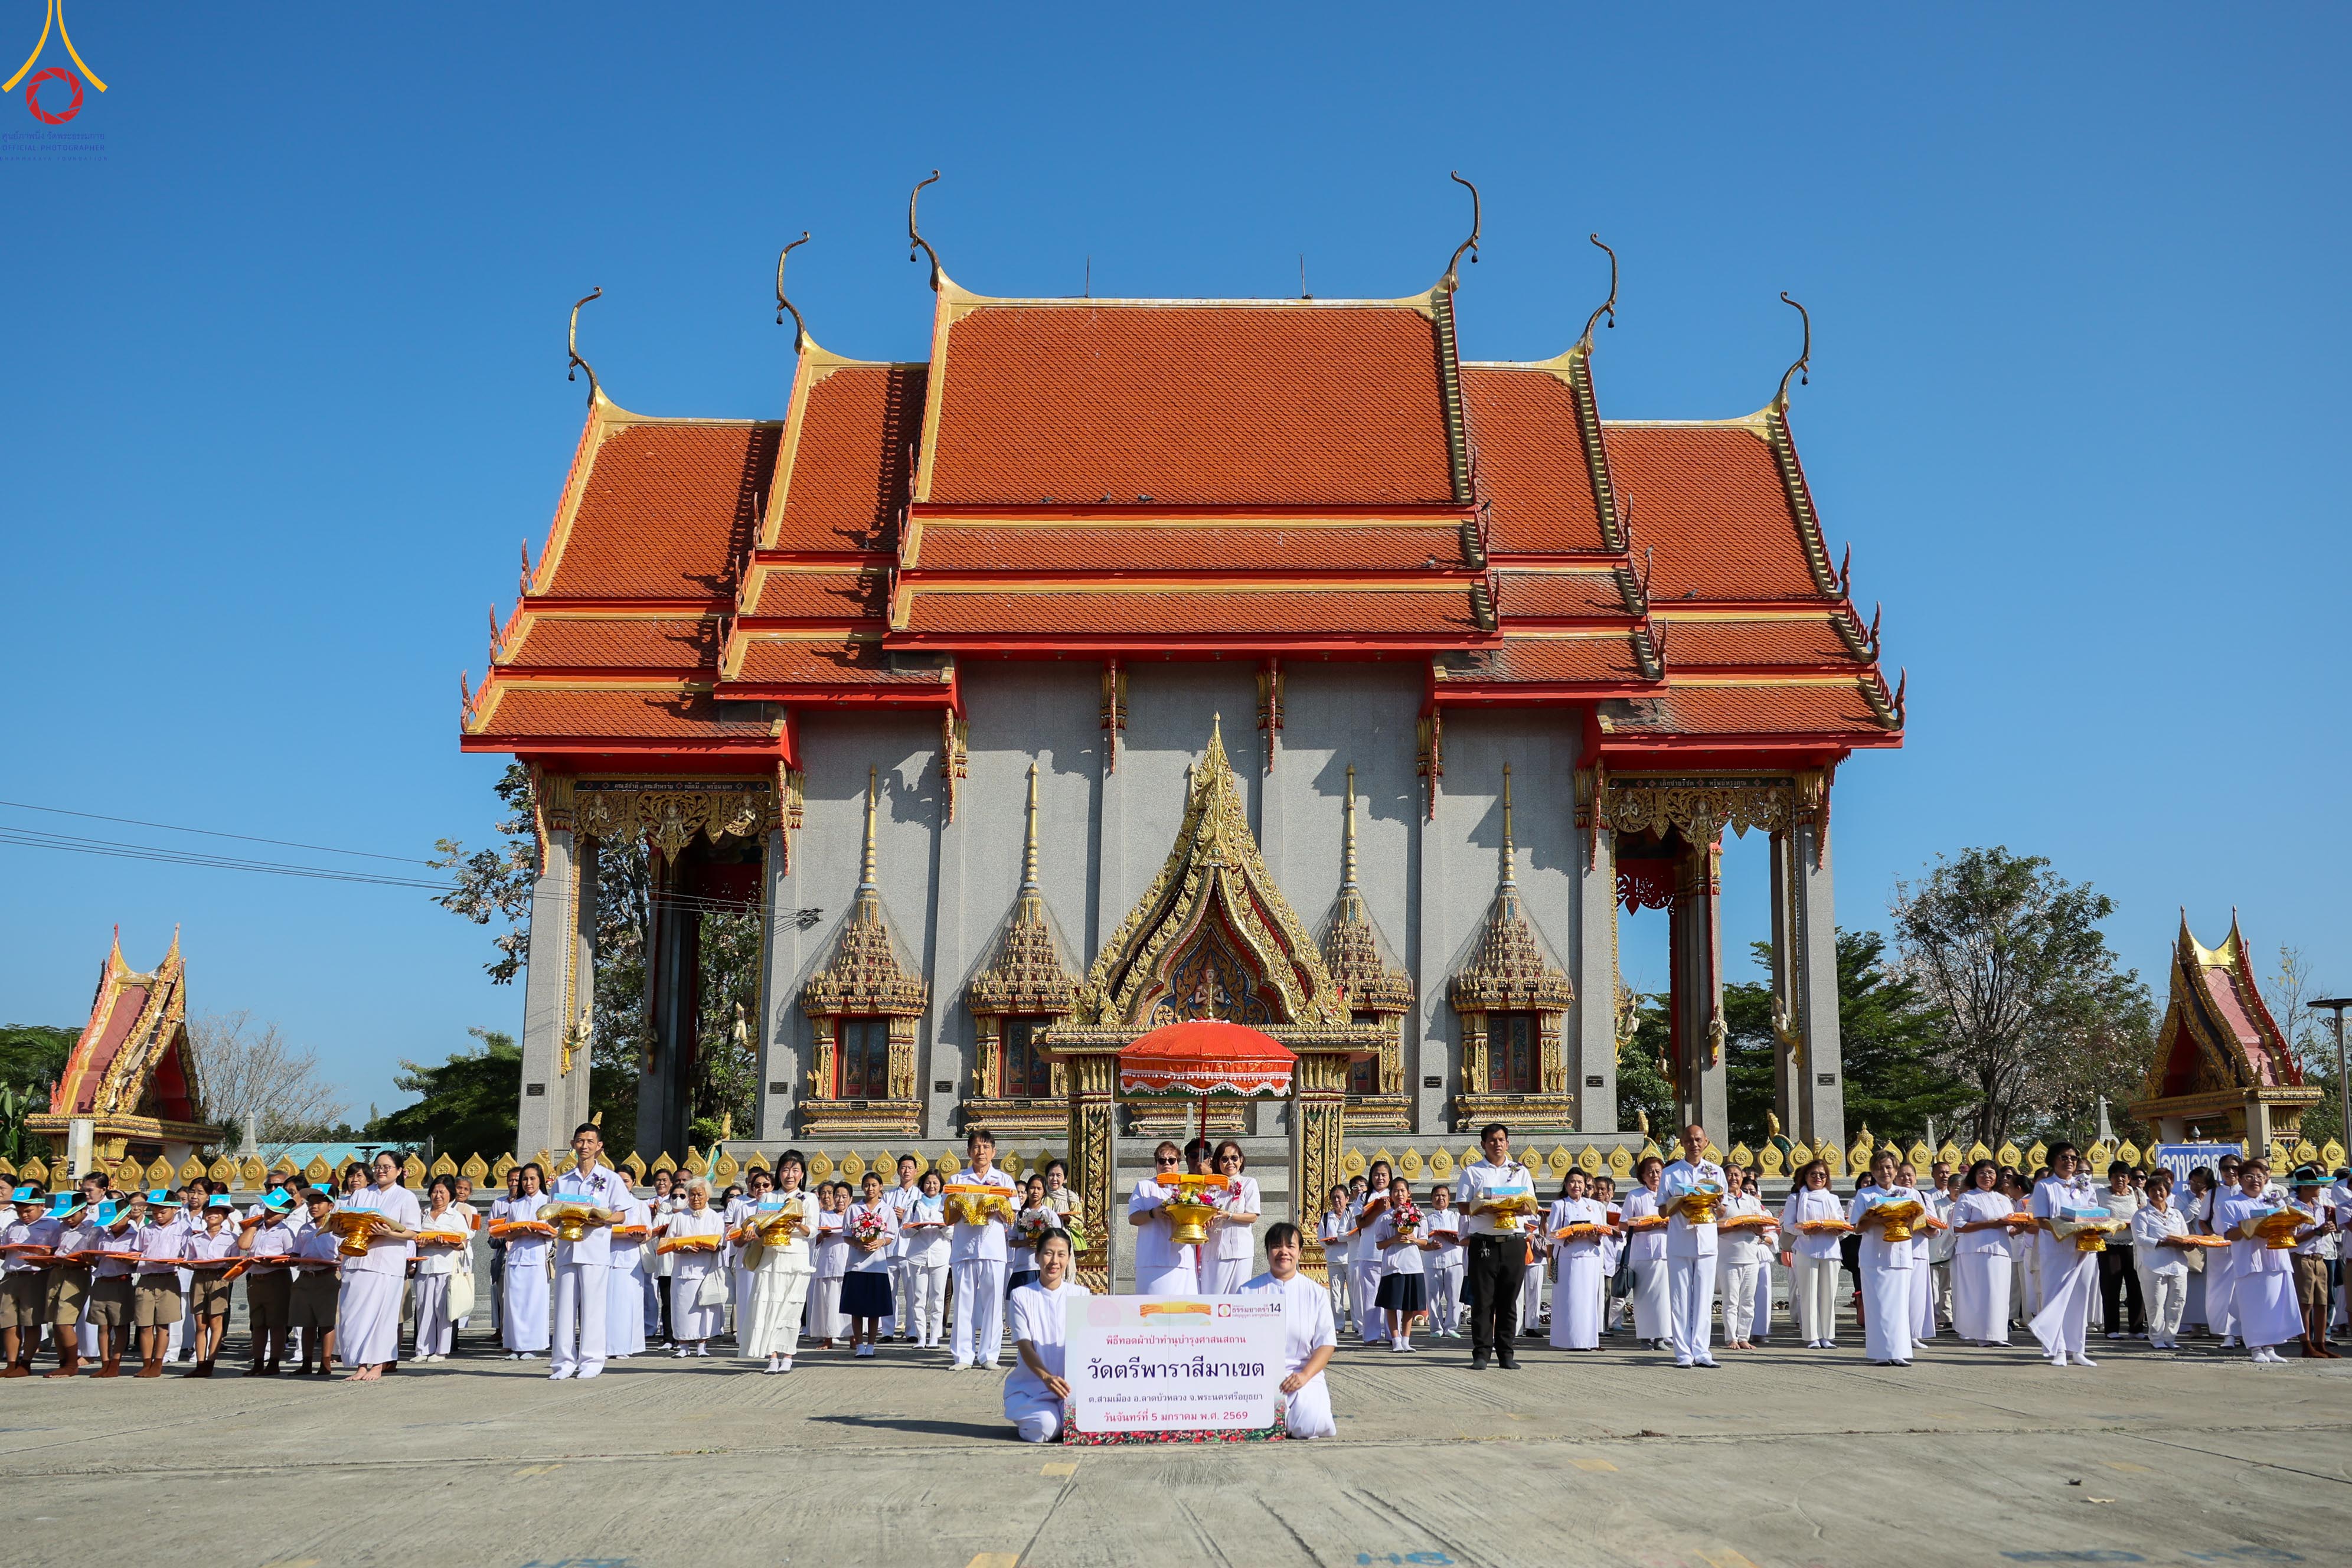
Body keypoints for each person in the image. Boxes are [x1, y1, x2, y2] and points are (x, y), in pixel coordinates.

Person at [545, 1121, 634, 1381]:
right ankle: (562, 1363)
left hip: (595, 1249)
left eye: (590, 1142)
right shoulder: (562, 1181)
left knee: (593, 1309)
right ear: (573, 1145)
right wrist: (557, 1217)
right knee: (563, 1308)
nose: (584, 1146)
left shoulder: (610, 1179)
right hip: (566, 1249)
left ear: (599, 1146)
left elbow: (620, 1215)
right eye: (580, 1141)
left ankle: (592, 1361)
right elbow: (552, 1216)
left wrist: (600, 1219)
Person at [1243, 1221, 1339, 1438]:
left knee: (1312, 1425)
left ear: (1300, 1252)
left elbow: (1326, 1343)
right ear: (1267, 1252)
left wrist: (1304, 1376)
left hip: (1304, 1374)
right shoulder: (1247, 1292)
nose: (1283, 1252)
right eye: (1277, 1246)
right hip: (1259, 1376)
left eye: (1290, 1246)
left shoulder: (1315, 1293)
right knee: (1255, 1428)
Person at [1453, 1125, 1536, 1370]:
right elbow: (1462, 1206)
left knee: (1508, 1301)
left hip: (1513, 1241)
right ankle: (1481, 1353)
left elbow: (1531, 1204)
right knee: (1483, 1301)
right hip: (1484, 1243)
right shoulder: (1473, 1172)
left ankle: (1506, 1353)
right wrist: (1483, 1206)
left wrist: (1520, 1207)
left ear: (1508, 1144)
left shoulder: (1520, 1171)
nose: (1497, 1144)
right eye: (1492, 1141)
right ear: (1484, 1144)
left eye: (1501, 1140)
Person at [337, 1152, 422, 1382]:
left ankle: (378, 1364)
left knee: (381, 1316)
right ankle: (361, 1365)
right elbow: (345, 1223)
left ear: (398, 1171)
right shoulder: (360, 1195)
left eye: (386, 1167)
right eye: (377, 1167)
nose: (381, 1171)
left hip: (387, 1263)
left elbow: (413, 1232)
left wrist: (388, 1233)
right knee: (353, 1316)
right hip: (357, 1262)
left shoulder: (405, 1197)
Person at [1005, 1227, 1090, 1442]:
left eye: (1061, 1254)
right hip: (1032, 1389)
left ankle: (1062, 1417)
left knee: (1085, 1426)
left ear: (1069, 1258)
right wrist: (1046, 1377)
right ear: (1037, 1256)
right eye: (1048, 1253)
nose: (1054, 1261)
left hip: (1070, 1390)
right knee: (1045, 1428)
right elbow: (1025, 1345)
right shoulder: (1021, 1296)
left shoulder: (1081, 1295)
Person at [2028, 1142, 2106, 1367]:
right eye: (2064, 1157)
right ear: (2053, 1161)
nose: (2070, 1161)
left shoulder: (2085, 1185)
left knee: (2080, 1298)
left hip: (2084, 1248)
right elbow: (2042, 1219)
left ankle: (2078, 1349)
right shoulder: (2045, 1187)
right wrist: (2065, 1230)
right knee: (2057, 1297)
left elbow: (2095, 1213)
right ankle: (2058, 1349)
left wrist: (2097, 1226)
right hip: (2056, 1249)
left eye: (2073, 1157)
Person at [2215, 1157, 2300, 1363]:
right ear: (2241, 1179)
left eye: (2260, 1176)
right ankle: (2255, 1348)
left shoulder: (2275, 1201)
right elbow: (2229, 1234)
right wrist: (2254, 1227)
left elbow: (2289, 1229)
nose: (2256, 1180)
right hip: (2250, 1262)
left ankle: (2270, 1346)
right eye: (2250, 1176)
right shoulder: (2230, 1204)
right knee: (2253, 1307)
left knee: (2274, 1304)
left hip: (2276, 1260)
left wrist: (2291, 1225)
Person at [948, 1129, 1017, 1371]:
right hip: (964, 1249)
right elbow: (948, 1217)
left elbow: (1011, 1217)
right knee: (964, 1303)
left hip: (993, 1248)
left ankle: (989, 1355)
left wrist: (992, 1202)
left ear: (994, 1151)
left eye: (986, 1147)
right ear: (969, 1152)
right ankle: (963, 1356)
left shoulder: (1004, 1180)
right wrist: (967, 1207)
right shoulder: (958, 1180)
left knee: (993, 1303)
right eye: (976, 1147)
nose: (981, 1152)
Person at [742, 1153, 816, 1373]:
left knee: (790, 1308)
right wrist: (752, 1229)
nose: (790, 1175)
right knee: (768, 1306)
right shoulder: (768, 1198)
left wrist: (798, 1225)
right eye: (785, 1170)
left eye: (795, 1171)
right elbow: (760, 1225)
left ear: (802, 1174)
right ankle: (772, 1357)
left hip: (796, 1256)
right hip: (771, 1257)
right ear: (779, 1173)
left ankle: (788, 1356)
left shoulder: (808, 1199)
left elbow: (812, 1231)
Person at [1660, 1124, 1726, 1369]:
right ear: (1682, 1143)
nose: (1694, 1144)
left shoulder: (1716, 1172)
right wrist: (1680, 1202)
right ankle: (1683, 1353)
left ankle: (1702, 1350)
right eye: (1689, 1140)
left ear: (1706, 1142)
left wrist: (1716, 1204)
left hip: (1707, 1240)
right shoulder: (1671, 1173)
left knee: (1704, 1298)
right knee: (1679, 1299)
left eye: (1699, 1140)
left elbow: (1722, 1209)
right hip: (1679, 1240)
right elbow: (1662, 1210)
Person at [1850, 1151, 1922, 1367]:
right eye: (1880, 1168)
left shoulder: (1907, 1194)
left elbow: (1918, 1224)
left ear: (1896, 1170)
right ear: (1873, 1171)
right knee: (1878, 1305)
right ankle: (1880, 1352)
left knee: (1899, 1306)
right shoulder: (1864, 1195)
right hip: (1875, 1255)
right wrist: (1873, 1218)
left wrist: (1908, 1217)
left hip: (1900, 1254)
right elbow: (1857, 1228)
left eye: (1889, 1167)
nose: (1885, 1172)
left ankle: (1899, 1351)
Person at [1948, 1159, 2021, 1346]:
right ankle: (1981, 1335)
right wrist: (1992, 1224)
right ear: (1974, 1176)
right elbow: (1958, 1226)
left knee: (2000, 1294)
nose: (1986, 1176)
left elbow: (2010, 1229)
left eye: (1991, 1173)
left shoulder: (2004, 1200)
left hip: (2001, 1251)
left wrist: (2022, 1227)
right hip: (1976, 1251)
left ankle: (1997, 1334)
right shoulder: (1968, 1197)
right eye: (1982, 1172)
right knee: (1982, 1294)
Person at [662, 1176, 727, 1357]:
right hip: (683, 1271)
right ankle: (683, 1346)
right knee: (682, 1308)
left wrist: (710, 1246)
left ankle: (702, 1346)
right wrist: (682, 1248)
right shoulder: (679, 1217)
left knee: (705, 1310)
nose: (696, 1198)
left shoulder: (715, 1217)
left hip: (706, 1269)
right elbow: (668, 1242)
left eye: (700, 1194)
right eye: (692, 1195)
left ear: (707, 1196)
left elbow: (721, 1242)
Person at [1546, 1169, 1610, 1351]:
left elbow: (1601, 1231)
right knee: (1571, 1300)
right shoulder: (1560, 1205)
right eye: (1572, 1182)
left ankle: (1587, 1341)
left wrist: (1593, 1235)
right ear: (1566, 1186)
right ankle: (1568, 1340)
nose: (1576, 1186)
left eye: (1580, 1182)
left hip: (1590, 1257)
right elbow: (1552, 1235)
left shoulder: (1595, 1206)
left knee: (1588, 1301)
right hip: (1569, 1258)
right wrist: (1569, 1238)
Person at [2129, 1174, 2193, 1350]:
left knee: (2177, 1302)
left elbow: (2185, 1236)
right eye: (2153, 1190)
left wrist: (2188, 1245)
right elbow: (2140, 1239)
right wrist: (2164, 1242)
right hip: (2153, 1265)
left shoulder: (2177, 1213)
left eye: (2161, 1190)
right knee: (2155, 1303)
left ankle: (2170, 1336)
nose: (2158, 1193)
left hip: (2178, 1264)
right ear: (2147, 1192)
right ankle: (2156, 1337)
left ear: (2168, 1191)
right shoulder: (2142, 1215)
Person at [841, 1170, 901, 1358]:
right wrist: (858, 1243)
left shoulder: (886, 1210)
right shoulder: (854, 1209)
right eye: (867, 1185)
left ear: (881, 1187)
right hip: (856, 1265)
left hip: (877, 1265)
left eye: (874, 1185)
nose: (870, 1189)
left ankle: (871, 1345)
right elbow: (846, 1236)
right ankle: (859, 1345)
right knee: (857, 1308)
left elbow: (891, 1235)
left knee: (875, 1309)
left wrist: (881, 1242)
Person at [1715, 1165, 1775, 1351]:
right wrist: (1736, 1226)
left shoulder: (1752, 1200)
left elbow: (1761, 1229)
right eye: (1729, 1175)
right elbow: (1715, 1228)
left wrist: (1752, 1227)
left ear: (1743, 1177)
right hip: (1729, 1255)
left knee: (1748, 1300)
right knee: (1731, 1300)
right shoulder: (1719, 1201)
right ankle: (1731, 1337)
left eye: (1737, 1175)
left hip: (1751, 1255)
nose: (1733, 1178)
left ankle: (1744, 1337)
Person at [410, 1175, 469, 1363]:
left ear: (450, 1195)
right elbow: (413, 1237)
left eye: (442, 1192)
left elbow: (463, 1243)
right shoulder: (423, 1214)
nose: (438, 1196)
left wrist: (448, 1243)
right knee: (423, 1308)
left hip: (446, 1266)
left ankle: (442, 1350)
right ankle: (423, 1349)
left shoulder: (456, 1216)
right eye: (435, 1192)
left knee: (442, 1309)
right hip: (425, 1264)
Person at [1129, 1141, 1200, 1297]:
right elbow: (1133, 1218)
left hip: (1183, 1260)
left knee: (1184, 1313)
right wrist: (1153, 1213)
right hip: (1152, 1261)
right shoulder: (1144, 1186)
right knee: (1152, 1314)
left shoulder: (1190, 1187)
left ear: (1178, 1164)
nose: (1166, 1164)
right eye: (1162, 1161)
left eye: (1171, 1160)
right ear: (1156, 1164)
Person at [498, 1162, 551, 1360]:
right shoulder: (515, 1205)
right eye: (525, 1179)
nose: (528, 1183)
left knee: (534, 1303)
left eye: (532, 1178)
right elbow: (508, 1236)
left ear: (540, 1180)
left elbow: (554, 1233)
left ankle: (532, 1345)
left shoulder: (548, 1202)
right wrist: (520, 1231)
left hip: (537, 1256)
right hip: (516, 1257)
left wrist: (538, 1231)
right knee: (515, 1303)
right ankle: (515, 1345)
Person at [2285, 1166, 2339, 1358]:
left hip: (2320, 1258)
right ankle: (2306, 1343)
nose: (2319, 1189)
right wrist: (2317, 1232)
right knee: (2305, 1304)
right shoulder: (2292, 1208)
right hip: (2302, 1258)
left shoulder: (2320, 1207)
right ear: (2304, 1188)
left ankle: (2320, 1343)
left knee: (2322, 1303)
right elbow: (2290, 1239)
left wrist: (2329, 1228)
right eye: (2315, 1185)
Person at [288, 1188, 342, 1376]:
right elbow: (296, 1253)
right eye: (311, 1203)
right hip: (306, 1277)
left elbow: (342, 1256)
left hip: (327, 1277)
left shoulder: (337, 1229)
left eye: (319, 1202)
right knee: (306, 1322)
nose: (314, 1207)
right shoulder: (304, 1229)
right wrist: (294, 1259)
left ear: (331, 1206)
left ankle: (326, 1363)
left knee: (327, 1323)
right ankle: (306, 1363)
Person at [1368, 1177, 1426, 1352]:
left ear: (1409, 1193)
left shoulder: (1418, 1215)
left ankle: (1406, 1339)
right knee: (1392, 1304)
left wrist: (1413, 1239)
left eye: (1402, 1191)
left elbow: (1425, 1241)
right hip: (1393, 1265)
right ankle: (1395, 1339)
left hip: (1413, 1264)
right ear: (1390, 1195)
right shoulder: (1385, 1218)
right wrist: (1394, 1239)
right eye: (1395, 1191)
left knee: (1409, 1304)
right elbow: (1379, 1244)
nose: (1399, 1194)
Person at [1618, 1156, 1671, 1352]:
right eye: (1650, 1172)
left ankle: (1661, 1337)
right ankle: (1645, 1337)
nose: (1655, 1175)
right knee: (1643, 1298)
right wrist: (1650, 1225)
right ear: (1642, 1175)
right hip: (1642, 1253)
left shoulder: (1669, 1197)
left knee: (1663, 1298)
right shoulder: (1635, 1196)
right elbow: (1624, 1224)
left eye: (1658, 1171)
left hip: (1665, 1252)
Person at [900, 1170, 952, 1350]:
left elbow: (953, 1232)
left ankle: (935, 1338)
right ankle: (921, 1337)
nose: (932, 1186)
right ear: (923, 1185)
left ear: (941, 1186)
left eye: (935, 1183)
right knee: (918, 1298)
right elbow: (904, 1231)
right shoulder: (915, 1204)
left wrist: (943, 1228)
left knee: (937, 1298)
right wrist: (916, 1228)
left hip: (940, 1255)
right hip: (917, 1255)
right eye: (928, 1183)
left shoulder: (946, 1205)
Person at [1204, 1141, 1261, 1295]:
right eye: (1224, 1159)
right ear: (1217, 1163)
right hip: (1213, 1251)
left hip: (1240, 1251)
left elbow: (1253, 1216)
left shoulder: (1249, 1184)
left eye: (1234, 1158)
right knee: (1213, 1298)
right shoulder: (1210, 1187)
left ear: (1241, 1160)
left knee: (1238, 1301)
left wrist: (1228, 1215)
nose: (1230, 1162)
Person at [2099, 1160, 2146, 1341]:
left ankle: (2136, 1328)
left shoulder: (2137, 1193)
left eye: (2124, 1176)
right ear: (2110, 1177)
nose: (2120, 1179)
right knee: (2111, 1287)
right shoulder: (2101, 1194)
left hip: (2133, 1245)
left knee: (2136, 1286)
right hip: (2109, 1245)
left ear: (2129, 1179)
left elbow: (2143, 1214)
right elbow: (2095, 1215)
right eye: (2116, 1175)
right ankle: (2112, 1329)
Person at [1348, 1159, 1394, 1344]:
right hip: (1369, 1250)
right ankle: (1372, 1334)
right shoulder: (1363, 1197)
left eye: (1384, 1175)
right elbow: (1360, 1224)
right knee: (1370, 1295)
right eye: (1376, 1175)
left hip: (1391, 1250)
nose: (1380, 1178)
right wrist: (1377, 1211)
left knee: (1392, 1295)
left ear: (1390, 1177)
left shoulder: (1395, 1194)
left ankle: (1394, 1334)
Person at [603, 1183, 650, 1361]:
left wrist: (640, 1236)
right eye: (619, 1181)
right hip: (607, 1258)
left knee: (628, 1305)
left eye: (626, 1181)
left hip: (631, 1261)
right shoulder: (606, 1205)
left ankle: (625, 1345)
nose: (623, 1184)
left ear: (633, 1182)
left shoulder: (640, 1205)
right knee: (607, 1305)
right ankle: (607, 1346)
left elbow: (648, 1231)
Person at [883, 1154, 925, 1342]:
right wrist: (894, 1217)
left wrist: (906, 1215)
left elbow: (923, 1218)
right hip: (890, 1248)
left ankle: (912, 1331)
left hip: (911, 1248)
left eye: (910, 1167)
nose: (906, 1170)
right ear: (898, 1170)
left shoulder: (921, 1196)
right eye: (903, 1167)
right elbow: (881, 1218)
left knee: (912, 1292)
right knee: (888, 1291)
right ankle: (887, 1331)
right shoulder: (889, 1195)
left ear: (916, 1171)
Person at [808, 1181, 850, 1348]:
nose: (839, 1199)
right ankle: (828, 1338)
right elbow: (813, 1240)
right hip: (827, 1263)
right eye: (837, 1196)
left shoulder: (853, 1215)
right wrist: (822, 1236)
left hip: (848, 1261)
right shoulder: (821, 1216)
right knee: (828, 1303)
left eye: (843, 1196)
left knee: (849, 1302)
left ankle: (854, 1337)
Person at [1424, 1183, 1465, 1337]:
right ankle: (1436, 1328)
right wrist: (1430, 1243)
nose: (1440, 1198)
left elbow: (1465, 1237)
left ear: (1449, 1199)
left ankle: (1452, 1327)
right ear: (1432, 1199)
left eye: (1444, 1195)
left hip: (1454, 1259)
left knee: (1455, 1296)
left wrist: (1456, 1240)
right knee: (1433, 1296)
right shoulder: (1425, 1219)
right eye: (1437, 1196)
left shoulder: (1456, 1217)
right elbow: (1421, 1239)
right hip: (1432, 1260)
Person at [1007, 1174, 1050, 1295]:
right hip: (1023, 1266)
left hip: (1042, 1267)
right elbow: (1011, 1241)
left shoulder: (1049, 1214)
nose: (1035, 1192)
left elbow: (1057, 1240)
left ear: (1044, 1192)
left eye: (1039, 1189)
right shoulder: (1019, 1215)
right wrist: (1024, 1243)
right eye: (1032, 1188)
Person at [1318, 1185, 1353, 1334]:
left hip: (1350, 1258)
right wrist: (1328, 1242)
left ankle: (1358, 1325)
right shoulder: (1327, 1217)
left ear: (1347, 1199)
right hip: (1334, 1259)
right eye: (1334, 1198)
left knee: (1355, 1294)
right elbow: (1321, 1238)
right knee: (1336, 1295)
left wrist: (1344, 1238)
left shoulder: (1352, 1215)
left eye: (1340, 1197)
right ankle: (1339, 1325)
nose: (1337, 1201)